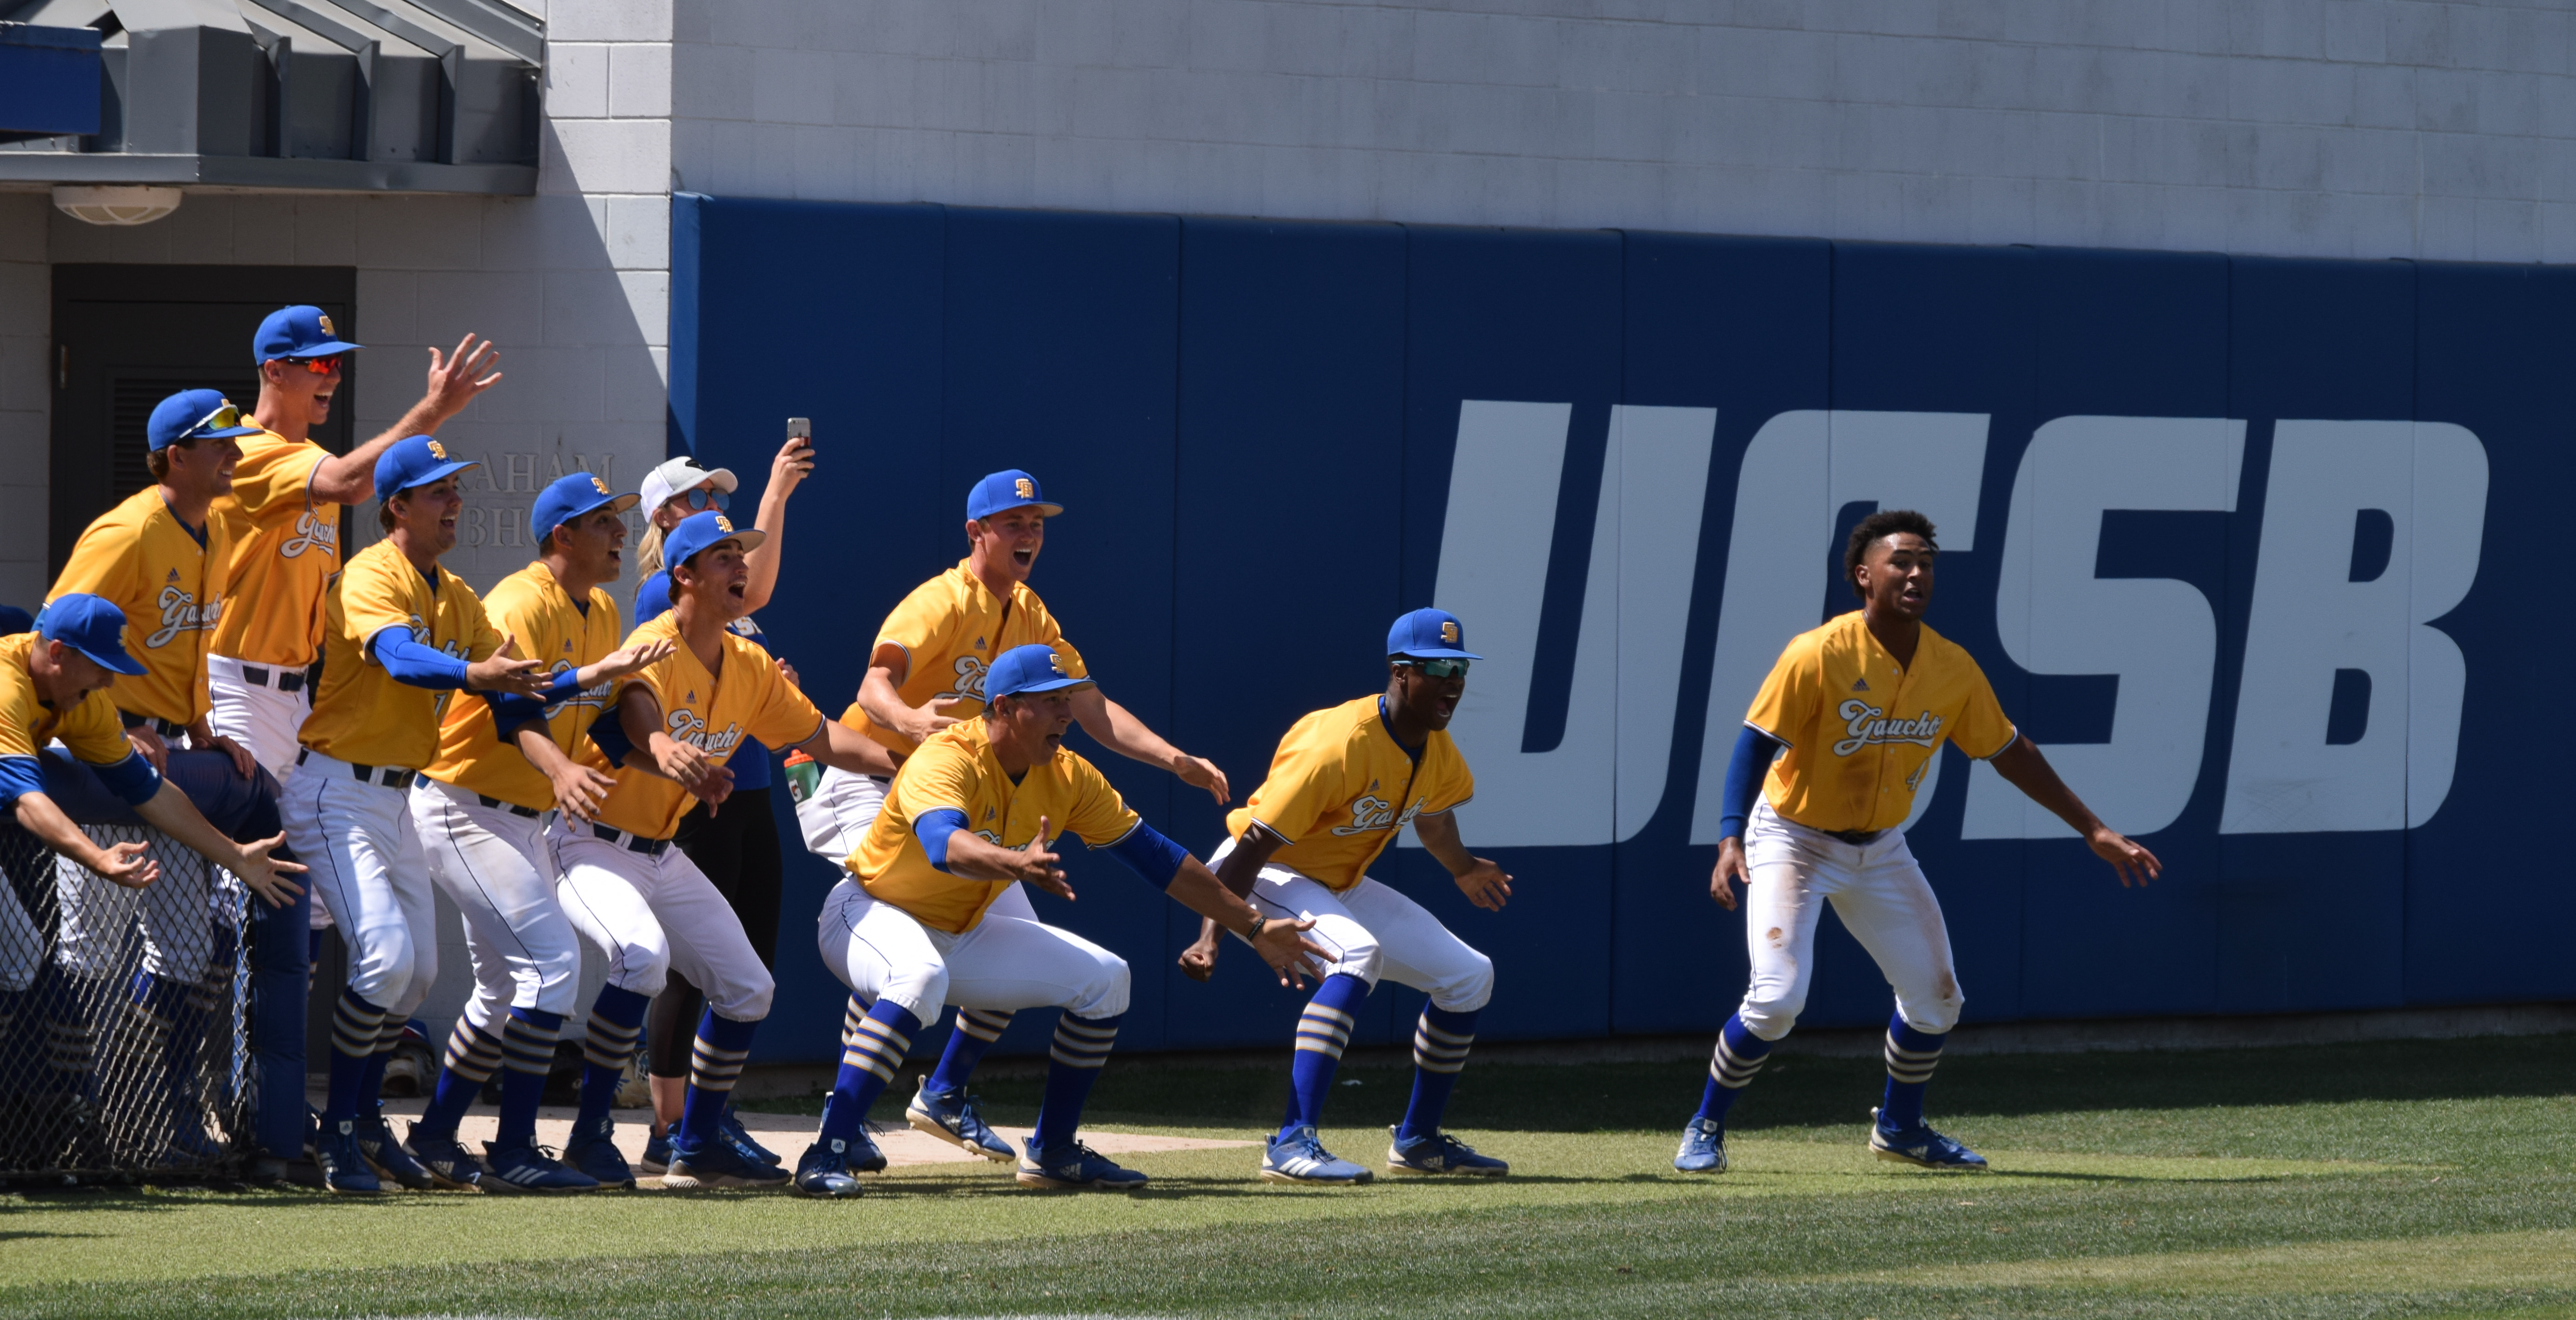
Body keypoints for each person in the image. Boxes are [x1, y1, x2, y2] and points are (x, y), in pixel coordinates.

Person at [1675, 510, 2162, 1175]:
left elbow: (2008, 750)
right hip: (1792, 838)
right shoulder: (1817, 652)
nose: (1915, 573)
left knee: (1937, 999)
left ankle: (1900, 1128)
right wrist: (1730, 838)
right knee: (1778, 999)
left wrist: (2094, 828)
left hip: (1880, 848)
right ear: (1863, 576)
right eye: (1899, 561)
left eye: (1925, 563)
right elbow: (1755, 742)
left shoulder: (1951, 666)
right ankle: (1706, 1124)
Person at [797, 468, 1232, 1163]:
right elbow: (872, 685)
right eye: (1013, 522)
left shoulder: (1031, 614)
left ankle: (940, 1092)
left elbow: (1093, 709)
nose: (1029, 533)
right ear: (977, 533)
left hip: (963, 791)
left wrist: (1171, 758)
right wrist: (911, 719)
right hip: (865, 776)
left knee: (1004, 943)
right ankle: (843, 1123)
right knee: (901, 927)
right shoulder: (943, 600)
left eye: (1036, 523)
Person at [798, 644, 1330, 1196]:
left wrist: (1252, 925)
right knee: (918, 978)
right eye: (1050, 702)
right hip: (868, 911)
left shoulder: (1068, 774)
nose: (1067, 714)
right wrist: (1014, 863)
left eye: (1069, 700)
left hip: (959, 928)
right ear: (1002, 708)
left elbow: (1159, 858)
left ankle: (1053, 1149)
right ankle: (828, 1148)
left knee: (1107, 979)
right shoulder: (947, 755)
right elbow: (942, 846)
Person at [551, 511, 897, 1190]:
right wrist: (660, 747)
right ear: (683, 574)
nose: (740, 567)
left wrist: (905, 762)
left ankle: (698, 1141)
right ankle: (590, 1134)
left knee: (749, 989)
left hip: (660, 852)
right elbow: (637, 711)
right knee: (643, 959)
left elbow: (824, 738)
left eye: (741, 555)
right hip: (591, 843)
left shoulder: (748, 663)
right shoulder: (653, 640)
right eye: (721, 558)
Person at [279, 436, 555, 1194]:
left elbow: (508, 685)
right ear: (396, 505)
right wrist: (476, 671)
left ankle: (366, 1124)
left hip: (395, 797)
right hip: (334, 791)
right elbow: (400, 658)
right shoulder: (372, 573)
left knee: (417, 973)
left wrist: (595, 678)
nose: (454, 502)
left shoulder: (453, 590)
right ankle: (338, 1135)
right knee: (387, 958)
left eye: (456, 489)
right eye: (437, 491)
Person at [399, 474, 672, 1192]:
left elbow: (607, 721)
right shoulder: (521, 600)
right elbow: (510, 711)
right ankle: (514, 1151)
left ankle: (432, 1136)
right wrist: (557, 768)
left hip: (518, 818)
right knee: (551, 967)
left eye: (619, 519)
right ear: (563, 537)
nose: (620, 532)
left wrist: (669, 763)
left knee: (499, 991)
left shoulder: (604, 606)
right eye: (604, 522)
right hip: (465, 804)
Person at [1178, 608, 1515, 1185]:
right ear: (1400, 672)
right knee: (1358, 953)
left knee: (1469, 975)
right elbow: (1253, 843)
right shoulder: (1338, 741)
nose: (1454, 680)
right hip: (1256, 872)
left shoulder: (1434, 747)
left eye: (1460, 667)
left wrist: (1462, 868)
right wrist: (1213, 934)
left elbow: (1433, 819)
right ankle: (1290, 1139)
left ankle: (1418, 1140)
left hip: (1334, 883)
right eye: (1438, 666)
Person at [0, 596, 305, 1167]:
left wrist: (234, 852)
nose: (109, 679)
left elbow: (151, 792)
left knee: (18, 955)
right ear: (58, 653)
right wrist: (95, 856)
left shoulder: (82, 702)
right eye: (99, 665)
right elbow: (27, 800)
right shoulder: (7, 684)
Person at [42, 390, 264, 1159]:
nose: (235, 456)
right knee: (93, 952)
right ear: (177, 455)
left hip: (169, 750)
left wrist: (201, 723)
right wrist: (122, 724)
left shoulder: (222, 524)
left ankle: (159, 1117)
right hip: (100, 748)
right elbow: (57, 640)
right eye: (222, 446)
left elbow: (191, 647)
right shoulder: (127, 530)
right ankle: (77, 1121)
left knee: (186, 948)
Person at [624, 442, 809, 1175]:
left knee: (748, 964)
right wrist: (776, 492)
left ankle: (710, 1116)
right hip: (697, 797)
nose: (715, 508)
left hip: (752, 785)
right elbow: (754, 594)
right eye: (701, 500)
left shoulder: (728, 596)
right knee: (689, 969)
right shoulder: (660, 596)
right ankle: (673, 1127)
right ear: (668, 521)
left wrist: (779, 684)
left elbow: (751, 620)